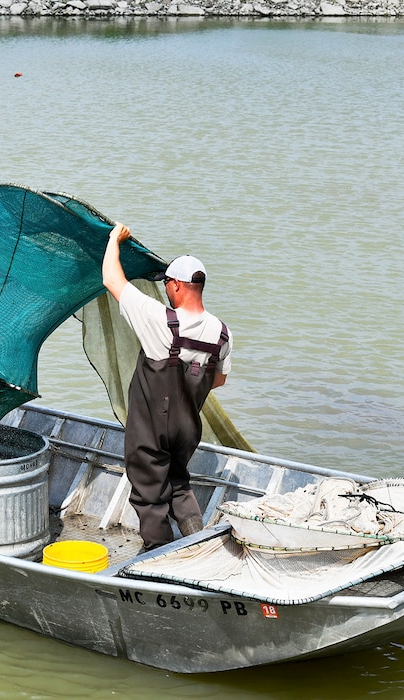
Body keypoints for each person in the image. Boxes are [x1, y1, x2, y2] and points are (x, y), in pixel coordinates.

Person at [102, 222, 232, 551]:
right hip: (187, 428)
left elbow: (111, 279)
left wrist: (113, 239)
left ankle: (158, 556)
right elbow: (218, 380)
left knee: (150, 496)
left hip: (152, 427)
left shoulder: (159, 319)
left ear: (176, 285)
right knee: (178, 483)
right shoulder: (221, 333)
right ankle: (199, 546)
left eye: (167, 285)